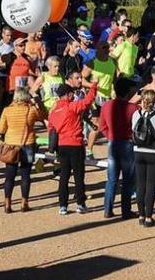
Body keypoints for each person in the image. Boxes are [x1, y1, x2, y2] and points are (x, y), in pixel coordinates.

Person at [48, 81, 98, 215]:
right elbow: (87, 101)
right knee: (78, 176)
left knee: (64, 176)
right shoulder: (72, 107)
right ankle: (80, 204)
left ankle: (63, 205)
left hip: (62, 146)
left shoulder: (53, 111)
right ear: (68, 94)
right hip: (75, 144)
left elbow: (51, 128)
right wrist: (93, 86)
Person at [0, 87, 45, 213]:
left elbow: (0, 129)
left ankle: (7, 202)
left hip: (11, 144)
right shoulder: (31, 110)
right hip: (27, 143)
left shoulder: (7, 110)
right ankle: (24, 202)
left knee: (9, 176)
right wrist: (36, 102)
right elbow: (44, 116)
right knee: (25, 175)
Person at [98, 77, 137, 219]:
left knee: (112, 179)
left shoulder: (107, 105)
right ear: (128, 91)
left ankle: (107, 209)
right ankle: (125, 211)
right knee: (127, 179)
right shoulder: (133, 108)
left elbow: (101, 127)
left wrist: (110, 136)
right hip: (127, 144)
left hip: (113, 143)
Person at [132, 89, 155, 227]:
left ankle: (140, 215)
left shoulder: (135, 114)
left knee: (140, 184)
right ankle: (149, 217)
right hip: (154, 152)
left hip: (138, 151)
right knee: (151, 185)